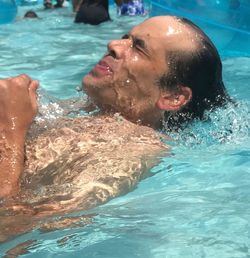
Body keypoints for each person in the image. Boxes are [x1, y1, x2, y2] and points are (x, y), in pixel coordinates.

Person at [0, 15, 229, 240]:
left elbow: (13, 227)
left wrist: (10, 128)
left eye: (138, 48)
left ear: (173, 97)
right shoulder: (85, 111)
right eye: (125, 37)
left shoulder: (127, 154)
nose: (114, 45)